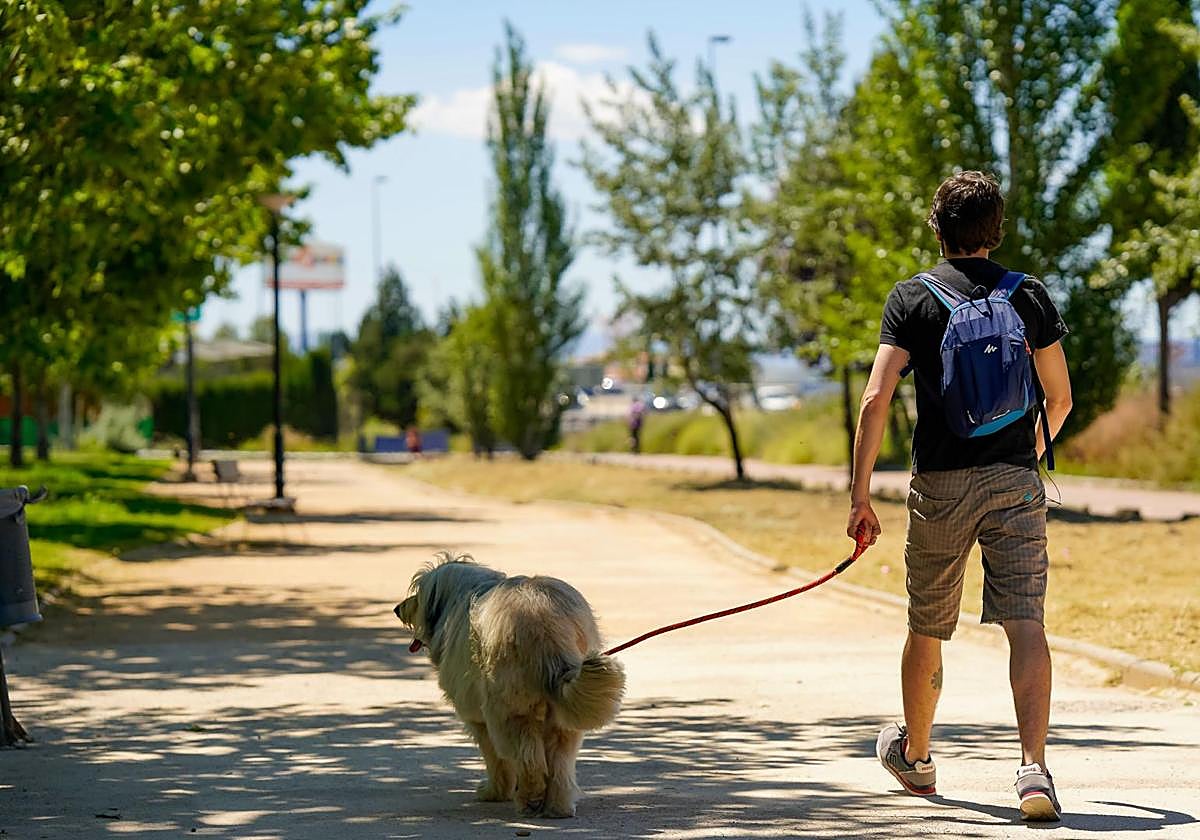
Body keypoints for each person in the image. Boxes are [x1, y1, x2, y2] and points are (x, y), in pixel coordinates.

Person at [847, 171, 1073, 822]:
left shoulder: (911, 299)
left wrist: (860, 498)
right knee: (1025, 620)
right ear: (995, 230)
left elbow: (875, 397)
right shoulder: (1027, 295)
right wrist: (1028, 453)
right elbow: (1060, 398)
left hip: (940, 486)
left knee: (928, 624)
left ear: (936, 228)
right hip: (1015, 482)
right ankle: (1033, 770)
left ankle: (916, 757)